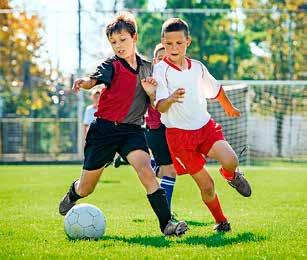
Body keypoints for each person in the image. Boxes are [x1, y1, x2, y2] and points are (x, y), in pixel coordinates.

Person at [58, 12, 187, 237]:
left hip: (132, 130)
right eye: (113, 42)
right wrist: (85, 83)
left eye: (123, 40)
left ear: (134, 37)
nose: (118, 46)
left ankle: (167, 224)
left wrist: (151, 93)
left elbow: (156, 105)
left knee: (146, 171)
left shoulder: (148, 68)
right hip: (104, 131)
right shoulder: (111, 65)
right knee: (87, 188)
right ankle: (73, 193)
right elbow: (95, 79)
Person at [151, 18, 252, 232]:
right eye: (169, 44)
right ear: (163, 42)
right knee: (207, 186)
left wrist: (229, 107)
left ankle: (231, 175)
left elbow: (216, 89)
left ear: (188, 42)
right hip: (180, 138)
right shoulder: (160, 70)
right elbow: (159, 106)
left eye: (179, 43)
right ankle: (222, 222)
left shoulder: (197, 67)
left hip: (205, 128)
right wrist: (170, 99)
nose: (174, 48)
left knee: (231, 160)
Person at [145, 43, 177, 211]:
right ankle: (167, 214)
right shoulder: (151, 80)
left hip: (174, 129)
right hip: (156, 129)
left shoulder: (176, 77)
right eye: (160, 58)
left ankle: (148, 164)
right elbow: (153, 103)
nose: (163, 61)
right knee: (170, 171)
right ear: (154, 61)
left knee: (174, 169)